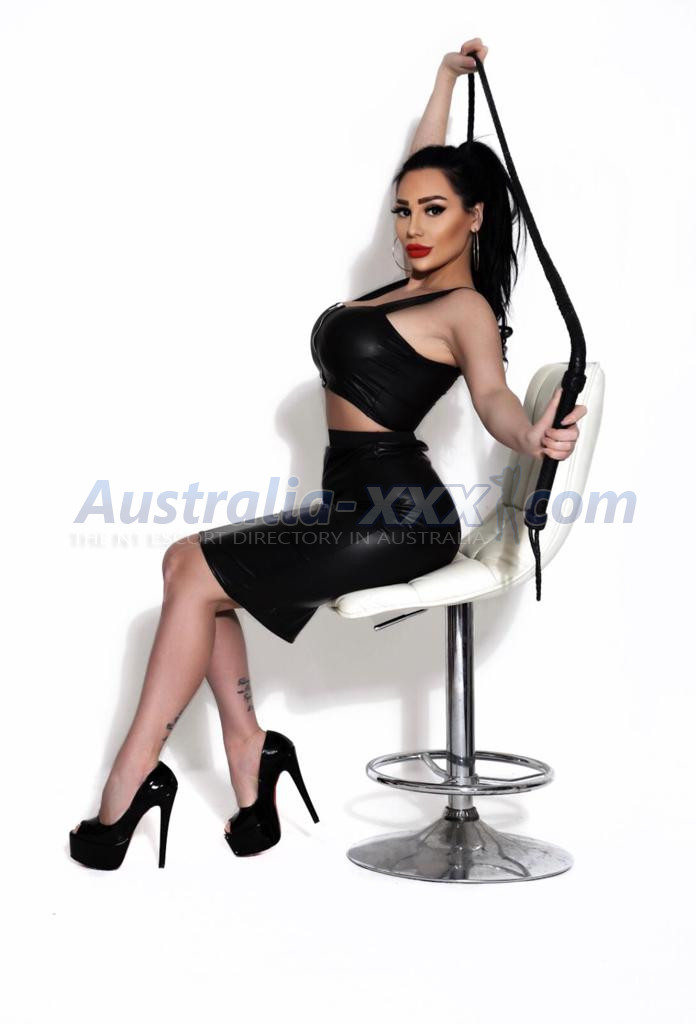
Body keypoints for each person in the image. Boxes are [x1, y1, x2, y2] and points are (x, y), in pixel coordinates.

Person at [69, 37, 587, 868]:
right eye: (403, 212)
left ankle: (129, 781)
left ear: (476, 217)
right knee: (191, 570)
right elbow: (421, 163)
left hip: (399, 513)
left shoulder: (465, 309)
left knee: (192, 571)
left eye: (434, 211)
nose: (412, 227)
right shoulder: (408, 283)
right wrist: (444, 79)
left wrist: (530, 435)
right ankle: (252, 757)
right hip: (353, 498)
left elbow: (493, 398)